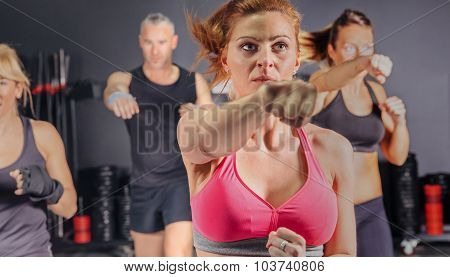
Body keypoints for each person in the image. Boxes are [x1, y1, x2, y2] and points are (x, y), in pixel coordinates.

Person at [178, 0, 389, 257]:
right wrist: (269, 95)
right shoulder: (194, 125)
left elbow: (343, 255)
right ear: (225, 60)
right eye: (248, 47)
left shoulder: (333, 148)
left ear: (297, 60)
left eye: (279, 46)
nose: (266, 61)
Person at [103, 13, 213, 257]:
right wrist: (117, 97)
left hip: (180, 183)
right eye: (149, 42)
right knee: (147, 263)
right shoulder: (126, 79)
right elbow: (113, 88)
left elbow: (213, 121)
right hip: (143, 185)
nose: (155, 50)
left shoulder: (192, 82)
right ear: (141, 42)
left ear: (173, 42)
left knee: (177, 257)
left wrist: (198, 117)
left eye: (161, 42)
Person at [303, 9, 410, 256]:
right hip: (331, 212)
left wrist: (400, 121)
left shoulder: (375, 92)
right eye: (351, 48)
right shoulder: (323, 83)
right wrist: (363, 62)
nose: (362, 55)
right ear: (332, 50)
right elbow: (324, 82)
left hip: (373, 210)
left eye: (367, 48)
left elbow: (397, 157)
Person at [0, 44, 77, 256]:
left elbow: (69, 208)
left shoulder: (42, 135)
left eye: (1, 82)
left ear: (18, 88)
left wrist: (49, 189)